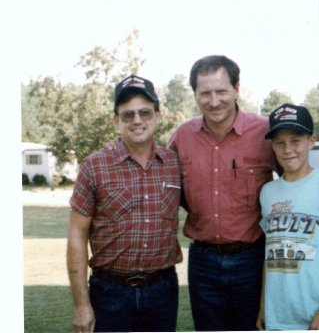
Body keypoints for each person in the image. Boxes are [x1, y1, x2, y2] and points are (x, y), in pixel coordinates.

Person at [168, 55, 279, 331]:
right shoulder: (182, 137)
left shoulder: (264, 132)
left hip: (252, 259)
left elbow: (296, 182)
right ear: (195, 94)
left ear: (237, 89)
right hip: (203, 261)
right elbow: (169, 191)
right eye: (205, 93)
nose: (214, 101)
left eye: (221, 91)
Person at [66, 75, 182, 333]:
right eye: (128, 115)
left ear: (158, 115)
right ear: (116, 120)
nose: (137, 120)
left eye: (145, 112)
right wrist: (81, 305)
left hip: (163, 291)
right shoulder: (94, 166)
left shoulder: (174, 163)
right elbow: (76, 235)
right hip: (109, 293)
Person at [256, 103, 319, 330]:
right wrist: (264, 307)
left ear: (311, 141)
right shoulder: (268, 192)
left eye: (296, 141)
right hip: (280, 316)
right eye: (280, 143)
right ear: (272, 146)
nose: (288, 149)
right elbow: (270, 253)